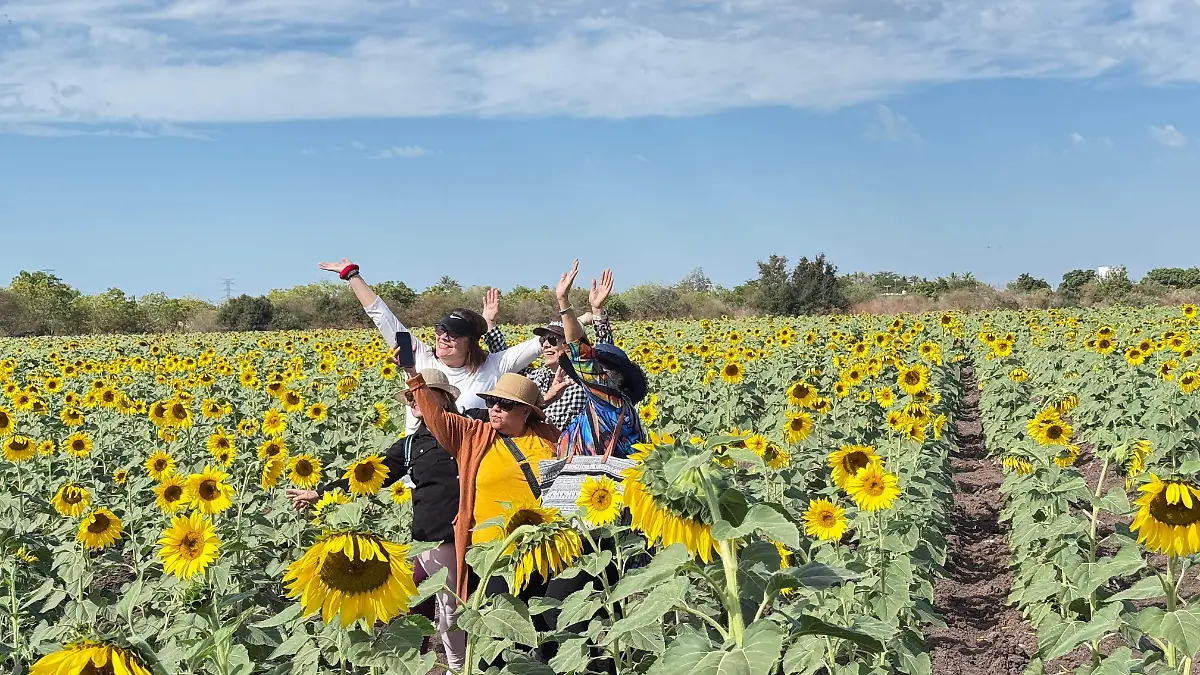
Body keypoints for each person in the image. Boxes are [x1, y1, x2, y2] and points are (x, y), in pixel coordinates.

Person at [285, 369, 466, 671]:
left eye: (420, 394)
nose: (413, 401)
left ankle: (459, 666)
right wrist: (321, 493)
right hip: (426, 538)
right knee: (419, 603)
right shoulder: (410, 445)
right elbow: (368, 474)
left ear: (443, 399)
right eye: (410, 397)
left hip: (458, 535)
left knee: (450, 608)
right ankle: (419, 661)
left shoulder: (467, 431)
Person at [319, 258, 542, 432]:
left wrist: (568, 309)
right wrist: (352, 274)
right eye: (440, 330)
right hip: (419, 464)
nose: (443, 337)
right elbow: (381, 315)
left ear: (471, 343)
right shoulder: (421, 357)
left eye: (453, 334)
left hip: (467, 467)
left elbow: (542, 342)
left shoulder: (494, 365)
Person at [483, 273, 616, 430]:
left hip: (570, 449)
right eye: (542, 340)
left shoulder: (583, 379)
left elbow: (606, 357)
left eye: (553, 340)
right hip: (535, 447)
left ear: (571, 345)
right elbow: (505, 360)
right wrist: (490, 322)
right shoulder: (534, 376)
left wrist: (597, 311)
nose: (546, 345)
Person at [553, 262, 647, 458]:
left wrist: (564, 304)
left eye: (596, 370)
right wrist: (597, 312)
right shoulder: (612, 406)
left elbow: (583, 355)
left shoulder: (610, 404)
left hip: (595, 486)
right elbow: (606, 354)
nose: (591, 372)